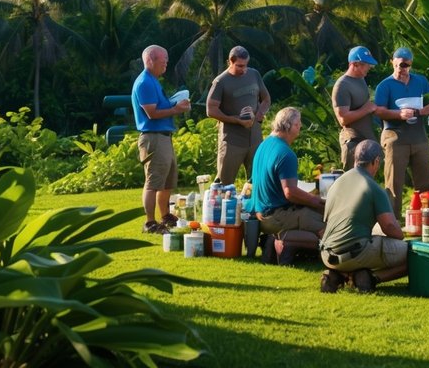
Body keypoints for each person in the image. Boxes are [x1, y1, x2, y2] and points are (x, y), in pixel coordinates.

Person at [319, 140, 409, 293]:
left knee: (366, 239)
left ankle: (338, 275)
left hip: (327, 254)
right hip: (355, 253)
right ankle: (371, 278)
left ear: (355, 158)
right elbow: (389, 227)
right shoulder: (373, 188)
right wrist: (402, 235)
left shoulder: (337, 183)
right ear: (376, 161)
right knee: (415, 255)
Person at [132, 44, 191, 234]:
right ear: (150, 60)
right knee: (153, 181)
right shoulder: (145, 83)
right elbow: (152, 113)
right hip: (154, 137)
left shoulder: (154, 81)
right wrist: (176, 109)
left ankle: (165, 216)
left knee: (167, 181)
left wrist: (174, 103)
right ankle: (150, 222)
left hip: (164, 137)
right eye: (163, 60)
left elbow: (160, 106)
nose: (166, 64)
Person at [372, 46, 429, 208]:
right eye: (399, 65)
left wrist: (419, 112)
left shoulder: (421, 81)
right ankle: (393, 220)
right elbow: (379, 110)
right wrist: (399, 114)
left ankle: (425, 216)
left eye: (406, 65)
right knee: (394, 183)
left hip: (419, 136)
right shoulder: (384, 85)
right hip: (395, 137)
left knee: (425, 181)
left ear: (411, 64)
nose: (403, 69)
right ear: (392, 63)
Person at [249, 106, 325, 239]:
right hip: (273, 218)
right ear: (288, 126)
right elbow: (290, 193)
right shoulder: (286, 154)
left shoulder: (263, 145)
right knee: (323, 220)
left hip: (259, 213)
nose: (300, 126)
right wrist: (318, 201)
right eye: (297, 123)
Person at [205, 45, 271, 185]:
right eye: (240, 66)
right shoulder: (220, 81)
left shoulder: (254, 74)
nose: (244, 69)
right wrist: (235, 120)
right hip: (232, 139)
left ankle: (254, 207)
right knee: (224, 183)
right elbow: (211, 110)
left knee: (257, 180)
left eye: (246, 65)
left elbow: (266, 99)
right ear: (230, 61)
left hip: (254, 136)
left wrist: (259, 115)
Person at [332, 46, 379, 170]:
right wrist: (366, 109)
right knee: (353, 182)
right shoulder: (342, 85)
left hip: (366, 142)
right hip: (353, 142)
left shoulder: (361, 80)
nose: (369, 67)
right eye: (366, 64)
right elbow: (343, 119)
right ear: (355, 64)